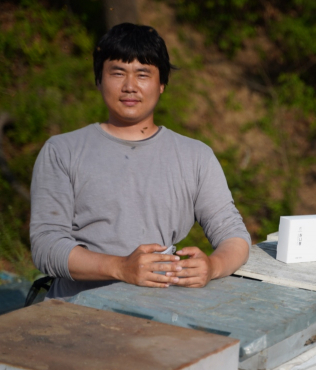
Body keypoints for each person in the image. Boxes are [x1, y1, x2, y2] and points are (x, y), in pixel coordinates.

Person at [30, 23, 251, 299]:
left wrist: (212, 266)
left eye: (143, 74)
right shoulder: (62, 150)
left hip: (161, 313)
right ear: (99, 80)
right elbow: (46, 245)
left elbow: (234, 236)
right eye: (118, 72)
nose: (130, 86)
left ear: (161, 84)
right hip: (75, 312)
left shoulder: (196, 156)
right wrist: (120, 268)